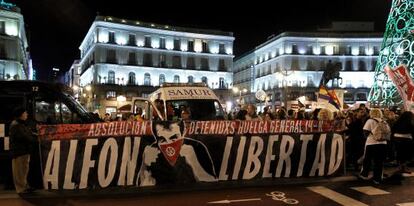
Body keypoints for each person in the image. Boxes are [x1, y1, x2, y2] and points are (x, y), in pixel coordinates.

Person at [359, 108, 390, 184]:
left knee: (367, 160)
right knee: (379, 162)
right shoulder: (384, 121)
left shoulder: (370, 121)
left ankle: (364, 175)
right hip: (383, 144)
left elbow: (365, 132)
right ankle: (377, 179)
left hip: (371, 143)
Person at [9, 107, 36, 194]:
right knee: (19, 171)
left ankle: (25, 186)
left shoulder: (21, 124)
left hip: (23, 151)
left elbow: (28, 133)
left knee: (23, 171)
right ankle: (21, 189)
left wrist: (34, 135)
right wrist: (35, 139)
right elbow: (25, 137)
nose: (27, 114)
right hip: (19, 152)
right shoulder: (16, 125)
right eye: (25, 113)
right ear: (20, 115)